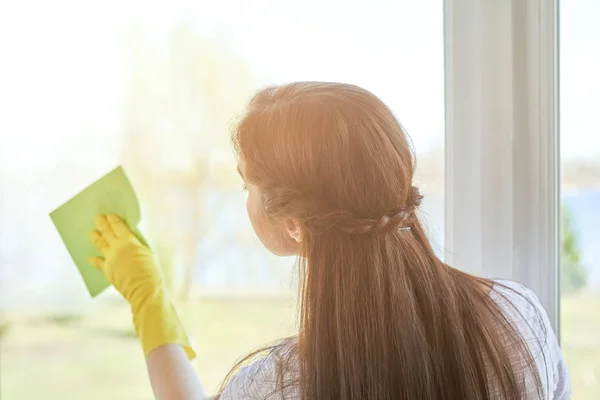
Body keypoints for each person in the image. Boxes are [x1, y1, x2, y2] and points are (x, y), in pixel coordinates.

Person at [88, 82, 571, 400]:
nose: (245, 198)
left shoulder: (277, 385)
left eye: (246, 185)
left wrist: (147, 303)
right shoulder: (517, 319)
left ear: (294, 224)